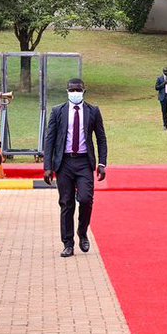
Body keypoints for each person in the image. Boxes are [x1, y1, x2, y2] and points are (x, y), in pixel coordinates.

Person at [43, 78, 108, 258]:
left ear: (84, 91)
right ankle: (68, 243)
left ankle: (82, 231)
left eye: (78, 90)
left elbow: (101, 138)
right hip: (64, 163)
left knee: (86, 199)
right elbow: (49, 140)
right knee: (66, 203)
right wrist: (48, 166)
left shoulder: (93, 111)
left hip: (84, 162)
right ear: (67, 91)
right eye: (71, 90)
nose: (75, 93)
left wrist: (102, 163)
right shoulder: (58, 111)